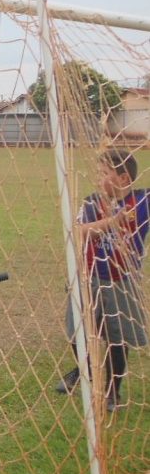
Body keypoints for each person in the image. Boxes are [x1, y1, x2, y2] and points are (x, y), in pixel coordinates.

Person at [55, 149, 149, 412]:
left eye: (103, 173)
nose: (98, 178)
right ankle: (83, 372)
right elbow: (78, 233)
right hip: (86, 278)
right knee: (77, 333)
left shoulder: (141, 201)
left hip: (119, 281)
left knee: (116, 339)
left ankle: (113, 392)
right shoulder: (92, 203)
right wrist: (112, 221)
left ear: (122, 178)